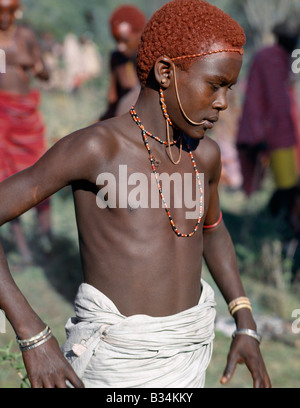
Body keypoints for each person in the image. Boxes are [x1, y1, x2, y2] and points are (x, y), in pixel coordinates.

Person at [0, 0, 271, 388]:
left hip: (187, 355)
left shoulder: (204, 156)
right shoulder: (96, 149)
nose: (223, 103)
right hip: (114, 364)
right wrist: (32, 335)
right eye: (214, 85)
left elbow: (211, 230)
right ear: (165, 72)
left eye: (228, 88)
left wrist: (244, 318)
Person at [0, 0, 51, 264]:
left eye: (8, 11)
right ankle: (25, 251)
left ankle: (47, 239)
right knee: (4, 181)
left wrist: (36, 66)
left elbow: (45, 73)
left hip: (25, 120)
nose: (4, 17)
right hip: (1, 120)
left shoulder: (26, 37)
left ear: (15, 12)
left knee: (40, 176)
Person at [236, 20, 300, 202]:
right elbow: (278, 102)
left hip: (268, 129)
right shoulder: (272, 59)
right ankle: (284, 220)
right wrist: (260, 134)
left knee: (286, 184)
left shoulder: (276, 58)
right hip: (275, 132)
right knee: (287, 186)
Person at [99, 5, 146, 120]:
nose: (120, 46)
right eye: (117, 40)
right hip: (121, 119)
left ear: (139, 34)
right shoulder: (117, 58)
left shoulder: (150, 58)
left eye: (125, 40)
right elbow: (112, 99)